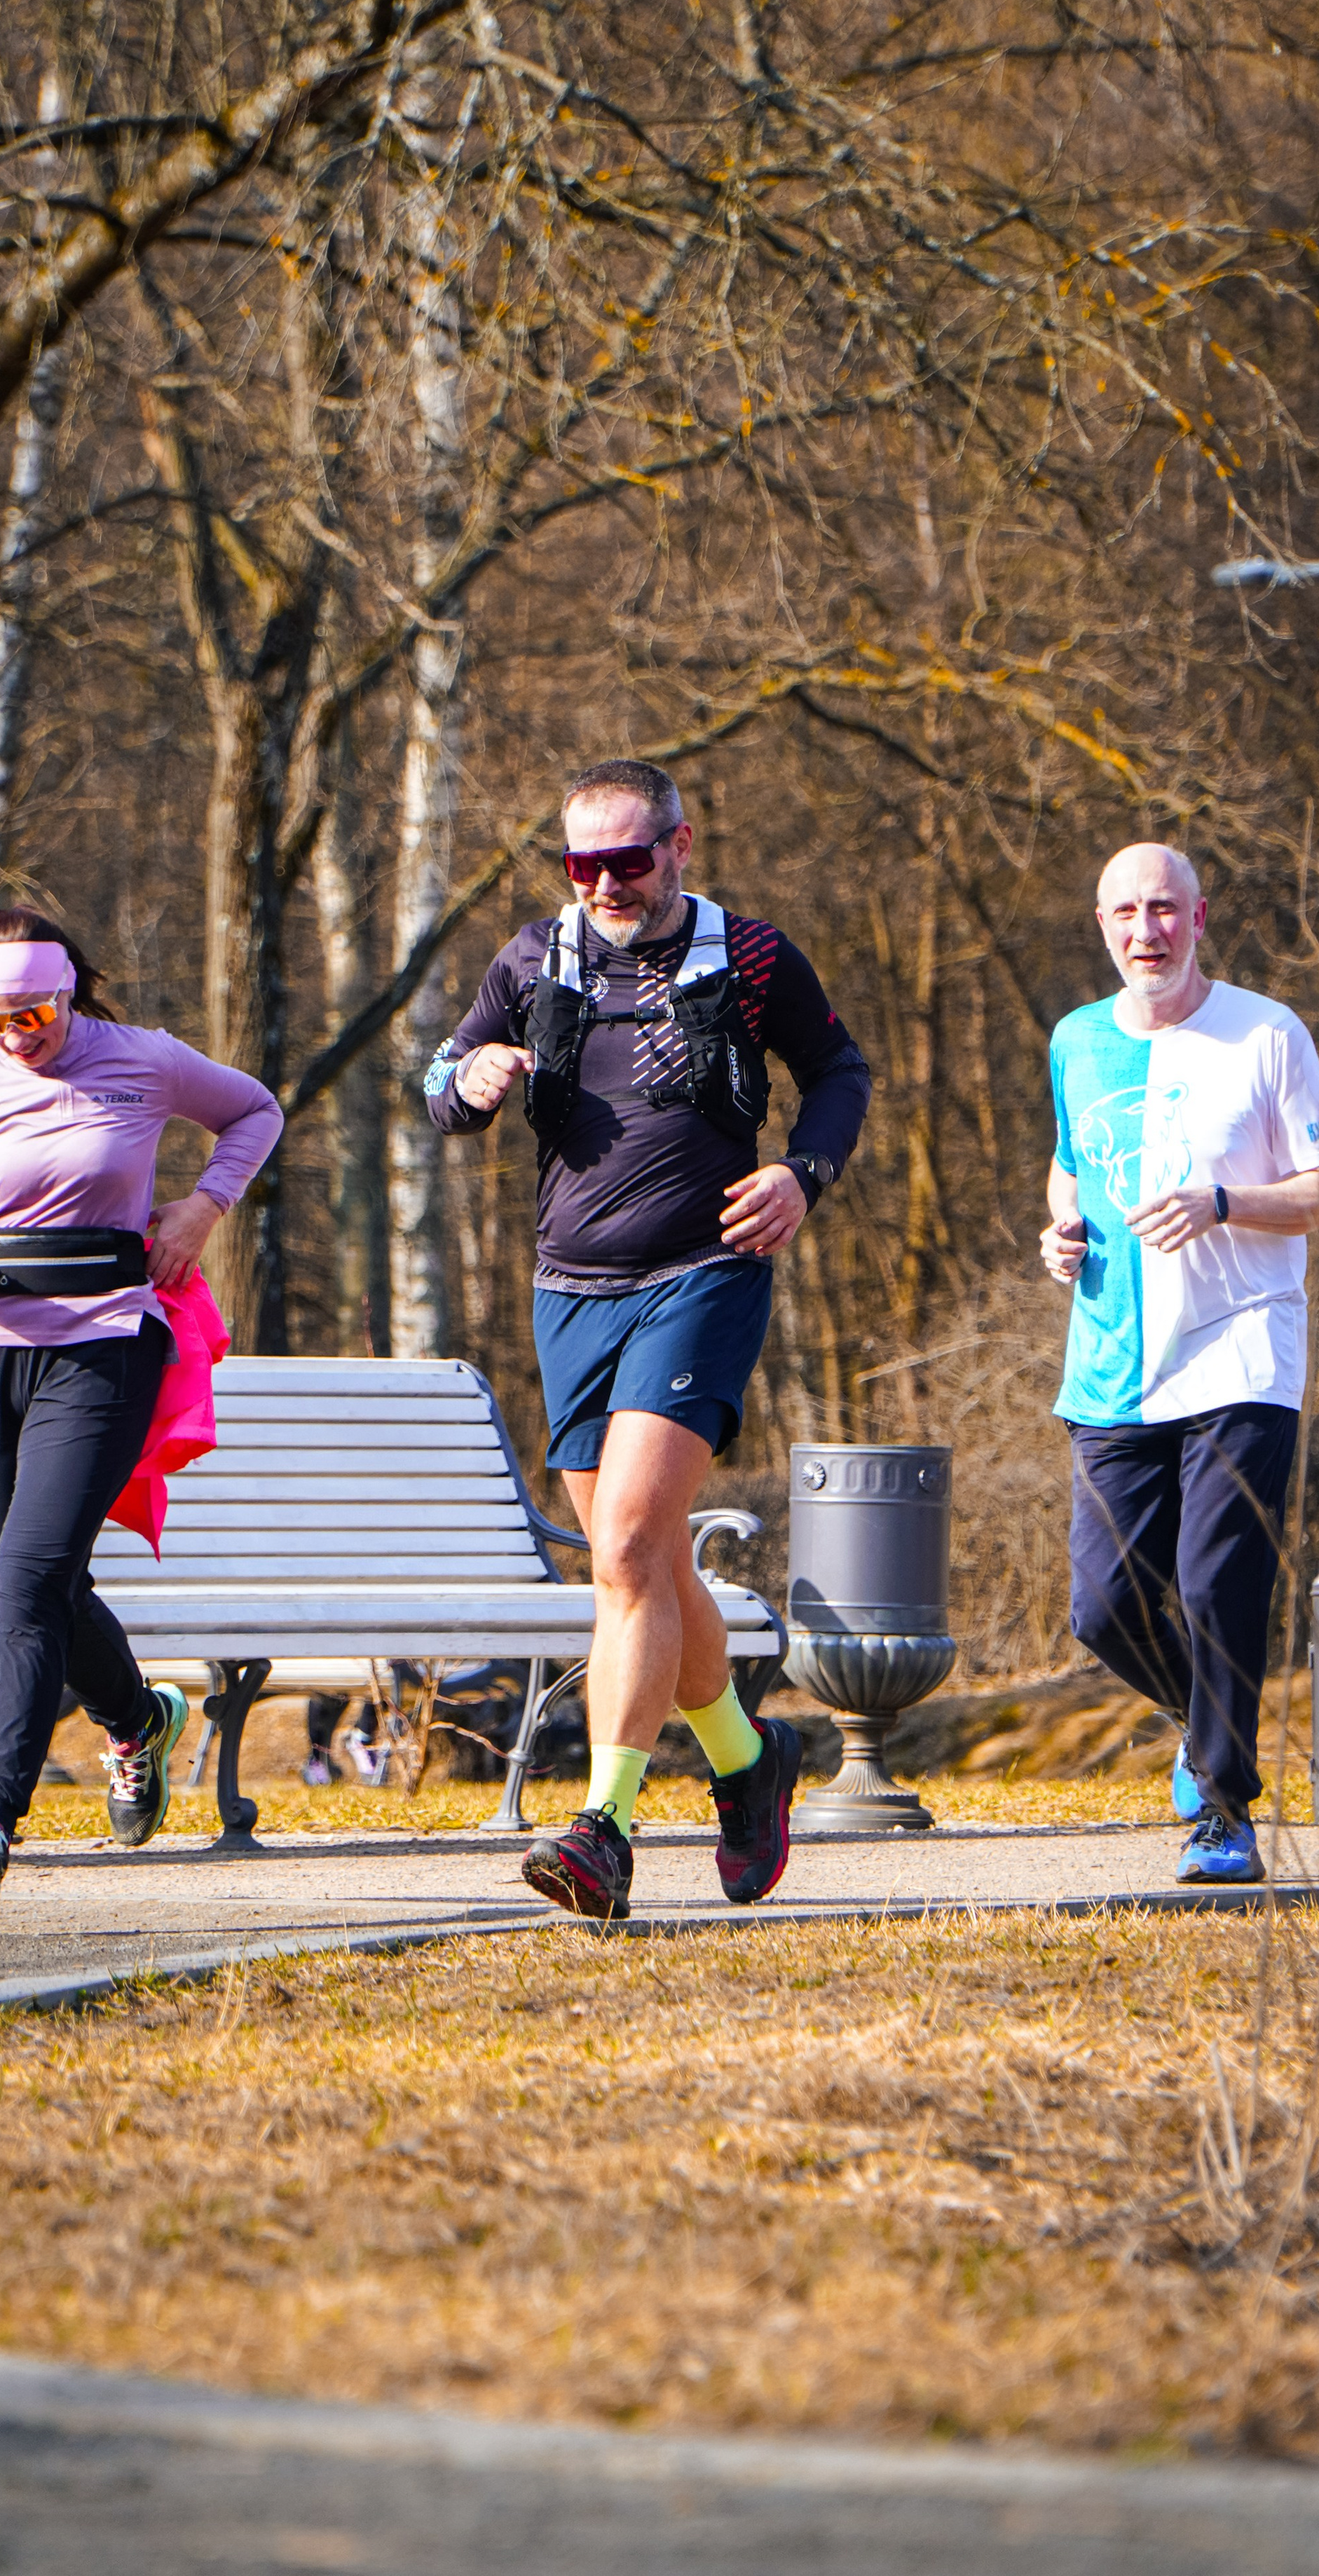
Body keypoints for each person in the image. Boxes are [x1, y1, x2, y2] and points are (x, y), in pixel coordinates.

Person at [425, 758, 870, 1919]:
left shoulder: (755, 956)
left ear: (682, 843)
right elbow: (437, 1080)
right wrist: (470, 1077)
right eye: (585, 865)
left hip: (706, 1273)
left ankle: (602, 1826)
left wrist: (801, 1175)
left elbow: (836, 1071)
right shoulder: (533, 959)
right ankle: (747, 1761)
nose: (608, 883)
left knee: (624, 1550)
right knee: (655, 1564)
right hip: (571, 1289)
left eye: (630, 859)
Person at [0, 906, 281, 1919]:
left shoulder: (141, 1059)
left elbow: (257, 1111)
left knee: (27, 1583)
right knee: (40, 1577)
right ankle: (138, 1721)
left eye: (38, 1012)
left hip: (104, 1345)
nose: (19, 1034)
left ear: (72, 988)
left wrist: (203, 1206)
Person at [1041, 843, 1319, 1884]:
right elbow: (1070, 1166)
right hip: (1111, 1363)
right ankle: (1196, 1717)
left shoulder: (1267, 1033)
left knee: (1217, 1582)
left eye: (1166, 909)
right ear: (1102, 924)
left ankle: (1224, 1812)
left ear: (1199, 916)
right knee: (1102, 1606)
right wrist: (1060, 1230)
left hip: (1239, 1354)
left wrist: (1225, 1204)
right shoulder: (1076, 1040)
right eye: (1127, 912)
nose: (1148, 931)